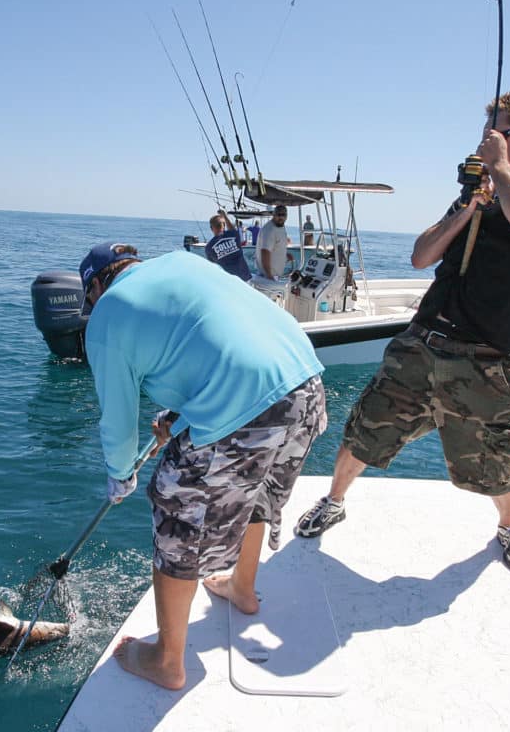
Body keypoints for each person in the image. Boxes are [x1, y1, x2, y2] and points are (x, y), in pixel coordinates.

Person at [295, 91, 510, 576]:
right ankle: (334, 500)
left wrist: (499, 170)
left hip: (486, 354)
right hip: (423, 339)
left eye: (500, 133)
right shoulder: (483, 188)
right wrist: (470, 205)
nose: (487, 142)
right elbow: (421, 255)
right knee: (364, 428)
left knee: (498, 457)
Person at [80, 242, 326, 690]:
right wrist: (179, 419)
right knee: (254, 489)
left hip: (249, 408)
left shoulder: (107, 314)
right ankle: (243, 589)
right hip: (305, 384)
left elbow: (118, 420)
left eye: (90, 300)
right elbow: (222, 347)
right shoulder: (183, 263)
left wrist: (119, 475)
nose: (94, 308)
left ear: (97, 285)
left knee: (175, 512)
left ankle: (167, 661)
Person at [204, 209, 252, 281]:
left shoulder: (209, 247)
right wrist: (225, 216)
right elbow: (232, 229)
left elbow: (213, 268)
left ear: (211, 228)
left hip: (228, 283)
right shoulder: (233, 234)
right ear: (223, 225)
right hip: (246, 278)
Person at [255, 205, 294, 279]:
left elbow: (276, 245)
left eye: (283, 215)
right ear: (273, 215)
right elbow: (265, 252)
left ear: (286, 216)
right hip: (268, 276)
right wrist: (269, 275)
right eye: (278, 214)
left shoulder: (281, 226)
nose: (281, 217)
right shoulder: (270, 230)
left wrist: (285, 256)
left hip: (275, 275)